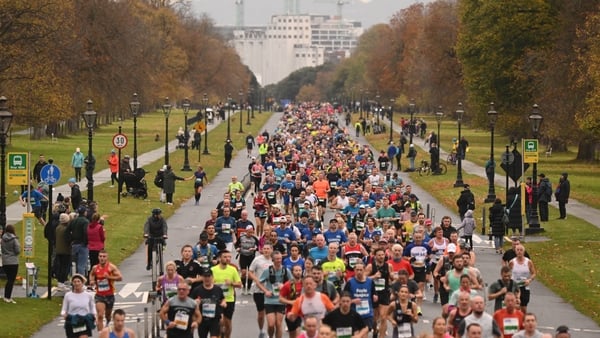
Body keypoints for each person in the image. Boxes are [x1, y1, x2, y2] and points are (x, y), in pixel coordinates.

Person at [256, 250, 291, 338]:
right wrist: (266, 291)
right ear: (273, 260)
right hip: (269, 301)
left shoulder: (285, 270)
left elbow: (292, 283)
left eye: (280, 258)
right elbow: (259, 282)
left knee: (278, 324)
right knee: (271, 324)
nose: (279, 260)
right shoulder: (268, 271)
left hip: (281, 300)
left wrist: (284, 286)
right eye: (277, 259)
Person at [211, 250, 242, 338]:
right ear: (219, 258)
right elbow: (207, 284)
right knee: (220, 321)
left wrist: (231, 283)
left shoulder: (233, 270)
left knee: (227, 323)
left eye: (229, 257)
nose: (228, 259)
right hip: (217, 300)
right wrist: (212, 283)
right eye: (225, 257)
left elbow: (239, 284)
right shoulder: (213, 270)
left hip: (229, 299)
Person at [89, 250, 123, 331]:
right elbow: (92, 274)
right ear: (98, 257)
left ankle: (108, 322)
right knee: (100, 315)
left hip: (109, 295)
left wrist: (109, 277)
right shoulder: (95, 268)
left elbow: (120, 277)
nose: (102, 258)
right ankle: (101, 334)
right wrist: (92, 281)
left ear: (107, 258)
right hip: (99, 295)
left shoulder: (111, 267)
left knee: (108, 315)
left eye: (104, 257)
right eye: (100, 256)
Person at [190, 269, 226, 338]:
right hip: (202, 319)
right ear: (202, 277)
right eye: (205, 276)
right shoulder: (197, 290)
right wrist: (195, 302)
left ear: (212, 277)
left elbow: (222, 298)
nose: (207, 278)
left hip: (214, 319)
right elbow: (190, 303)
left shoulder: (217, 289)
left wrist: (224, 303)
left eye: (208, 276)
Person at [61, 274, 96, 338]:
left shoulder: (88, 295)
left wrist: (94, 315)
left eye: (78, 281)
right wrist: (64, 314)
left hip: (84, 321)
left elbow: (92, 307)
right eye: (74, 282)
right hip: (72, 321)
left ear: (82, 283)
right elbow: (64, 309)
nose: (76, 283)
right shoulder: (68, 295)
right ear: (72, 283)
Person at [509, 244, 536, 314]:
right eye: (517, 250)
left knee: (523, 308)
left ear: (524, 252)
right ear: (515, 251)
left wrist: (529, 280)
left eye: (521, 250)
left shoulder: (528, 262)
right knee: (515, 306)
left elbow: (533, 273)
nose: (519, 252)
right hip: (514, 286)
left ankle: (523, 322)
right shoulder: (512, 262)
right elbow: (507, 273)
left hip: (524, 286)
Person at [68, 206, 90, 276]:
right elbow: (86, 232)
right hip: (82, 245)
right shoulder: (85, 221)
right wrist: (86, 242)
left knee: (73, 264)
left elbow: (68, 230)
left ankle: (73, 278)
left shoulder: (74, 220)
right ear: (84, 212)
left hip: (74, 244)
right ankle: (81, 280)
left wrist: (71, 239)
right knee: (81, 265)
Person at [1, 225, 21, 304]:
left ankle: (6, 296)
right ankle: (7, 297)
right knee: (11, 280)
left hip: (5, 261)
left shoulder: (3, 239)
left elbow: (2, 248)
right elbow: (17, 250)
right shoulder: (14, 239)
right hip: (13, 261)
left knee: (8, 279)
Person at [55, 213, 73, 290]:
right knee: (64, 267)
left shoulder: (58, 227)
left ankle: (61, 281)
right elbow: (68, 239)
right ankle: (61, 282)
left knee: (61, 266)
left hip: (59, 249)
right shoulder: (65, 229)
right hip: (65, 250)